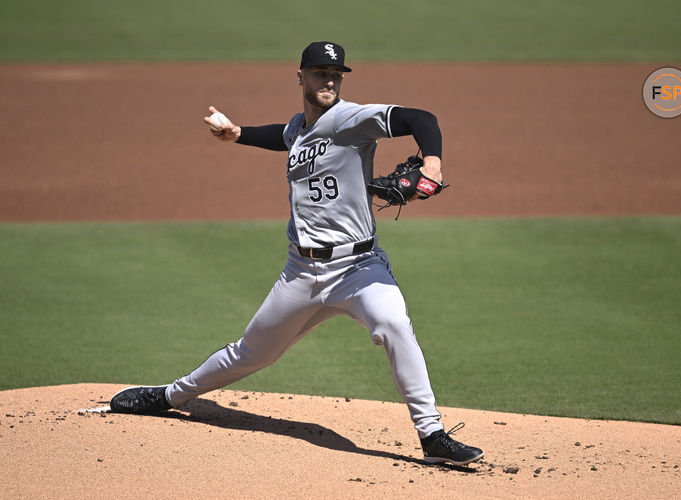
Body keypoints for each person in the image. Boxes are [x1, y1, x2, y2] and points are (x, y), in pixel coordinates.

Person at [110, 41, 483, 466]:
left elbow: (421, 118)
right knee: (250, 354)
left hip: (359, 267)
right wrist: (237, 135)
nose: (329, 80)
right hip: (301, 273)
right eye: (321, 72)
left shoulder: (350, 118)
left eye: (336, 74)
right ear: (300, 76)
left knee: (393, 322)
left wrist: (432, 164)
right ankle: (168, 396)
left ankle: (431, 434)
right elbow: (285, 136)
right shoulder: (299, 128)